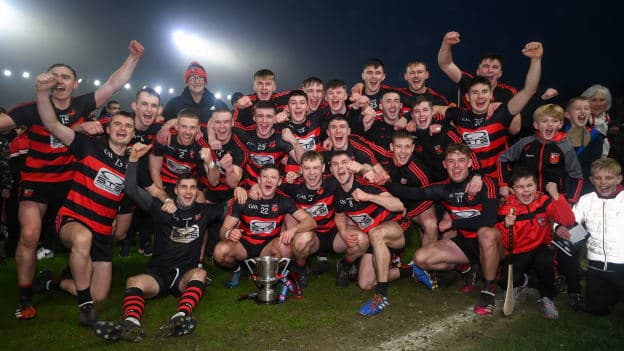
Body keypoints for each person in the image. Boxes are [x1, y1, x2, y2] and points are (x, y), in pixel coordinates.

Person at [1, 40, 143, 320]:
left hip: (72, 182)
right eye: (54, 76)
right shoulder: (31, 109)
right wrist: (74, 126)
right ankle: (26, 298)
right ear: (46, 81)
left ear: (74, 83)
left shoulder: (82, 104)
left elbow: (114, 83)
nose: (59, 80)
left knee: (90, 235)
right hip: (38, 181)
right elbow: (46, 123)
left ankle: (67, 276)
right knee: (30, 235)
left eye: (65, 76)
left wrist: (133, 57)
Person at [33, 72, 137, 326]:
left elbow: (145, 191)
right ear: (108, 127)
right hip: (72, 219)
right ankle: (85, 308)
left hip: (103, 232)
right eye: (118, 125)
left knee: (99, 294)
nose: (122, 129)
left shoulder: (132, 164)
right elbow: (52, 125)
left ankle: (53, 282)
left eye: (128, 127)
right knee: (82, 238)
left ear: (133, 133)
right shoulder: (88, 145)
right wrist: (41, 93)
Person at [92, 143, 220, 341]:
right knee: (133, 281)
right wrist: (133, 159)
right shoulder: (161, 208)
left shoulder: (204, 211)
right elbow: (132, 190)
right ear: (175, 190)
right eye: (184, 188)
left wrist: (246, 191)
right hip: (159, 274)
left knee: (200, 273)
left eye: (192, 188)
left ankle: (179, 317)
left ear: (196, 192)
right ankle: (130, 323)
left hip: (185, 275)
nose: (188, 192)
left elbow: (233, 208)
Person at [387, 144, 500, 315]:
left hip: (496, 245)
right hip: (467, 245)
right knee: (420, 257)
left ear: (470, 163)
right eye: (451, 161)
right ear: (445, 165)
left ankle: (488, 289)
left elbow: (489, 220)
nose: (456, 166)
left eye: (461, 161)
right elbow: (413, 193)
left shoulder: (486, 184)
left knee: (486, 233)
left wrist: (454, 224)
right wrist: (385, 182)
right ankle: (465, 267)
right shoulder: (443, 188)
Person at [433, 40, 544, 179]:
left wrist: (536, 60)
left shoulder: (503, 107)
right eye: (475, 93)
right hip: (466, 176)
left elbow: (529, 91)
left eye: (484, 92)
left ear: (491, 94)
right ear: (467, 96)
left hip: (497, 171)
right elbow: (445, 65)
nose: (480, 96)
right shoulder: (459, 112)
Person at [330, 151, 420, 317]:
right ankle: (411, 270)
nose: (339, 167)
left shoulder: (366, 183)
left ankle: (381, 296)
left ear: (351, 165)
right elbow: (339, 215)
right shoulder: (337, 191)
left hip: (397, 228)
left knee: (376, 233)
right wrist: (342, 231)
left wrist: (368, 197)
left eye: (344, 162)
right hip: (374, 237)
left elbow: (399, 204)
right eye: (335, 164)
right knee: (365, 283)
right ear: (331, 169)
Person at [213, 165, 316, 287]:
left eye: (273, 177)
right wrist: (228, 233)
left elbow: (310, 221)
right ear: (259, 180)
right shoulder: (243, 198)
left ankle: (269, 274)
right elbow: (223, 229)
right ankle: (238, 269)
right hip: (243, 245)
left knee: (286, 247)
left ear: (279, 182)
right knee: (219, 252)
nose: (268, 180)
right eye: (265, 177)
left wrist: (293, 230)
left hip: (268, 246)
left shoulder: (284, 200)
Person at [496, 166, 576, 319]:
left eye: (530, 185)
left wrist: (556, 196)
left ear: (536, 186)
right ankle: (525, 281)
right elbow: (507, 245)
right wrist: (506, 226)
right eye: (520, 187)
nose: (526, 191)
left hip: (540, 247)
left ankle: (547, 298)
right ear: (512, 190)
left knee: (545, 259)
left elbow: (568, 220)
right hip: (519, 252)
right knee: (504, 281)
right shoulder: (507, 208)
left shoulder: (544, 201)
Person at [559, 158, 624, 315]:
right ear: (591, 180)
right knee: (596, 310)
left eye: (609, 178)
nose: (603, 182)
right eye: (598, 178)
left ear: (619, 178)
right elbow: (569, 219)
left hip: (622, 263)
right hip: (596, 263)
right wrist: (558, 227)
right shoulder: (586, 199)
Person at [498, 104, 584, 203]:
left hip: (552, 198)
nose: (550, 124)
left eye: (554, 121)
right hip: (524, 196)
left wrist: (571, 201)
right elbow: (502, 160)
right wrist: (503, 184)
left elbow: (577, 176)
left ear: (560, 124)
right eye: (544, 121)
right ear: (536, 125)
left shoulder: (566, 147)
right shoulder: (525, 143)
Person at [437, 31, 517, 106]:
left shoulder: (508, 92)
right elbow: (446, 64)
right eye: (486, 66)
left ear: (500, 73)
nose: (490, 70)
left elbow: (516, 117)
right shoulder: (468, 82)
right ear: (478, 71)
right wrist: (446, 43)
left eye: (495, 67)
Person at [564, 97, 606, 195]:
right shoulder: (557, 135)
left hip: (584, 189)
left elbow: (594, 168)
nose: (583, 111)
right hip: (558, 188)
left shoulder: (596, 137)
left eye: (586, 109)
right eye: (578, 109)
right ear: (568, 114)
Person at [162, 61, 227, 123]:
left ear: (205, 82)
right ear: (187, 82)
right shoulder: (173, 104)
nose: (197, 81)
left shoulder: (219, 105)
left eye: (200, 77)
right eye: (193, 78)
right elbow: (161, 125)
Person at [581, 84, 613, 157]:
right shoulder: (577, 121)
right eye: (593, 100)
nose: (598, 104)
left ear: (607, 102)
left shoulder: (613, 121)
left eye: (601, 100)